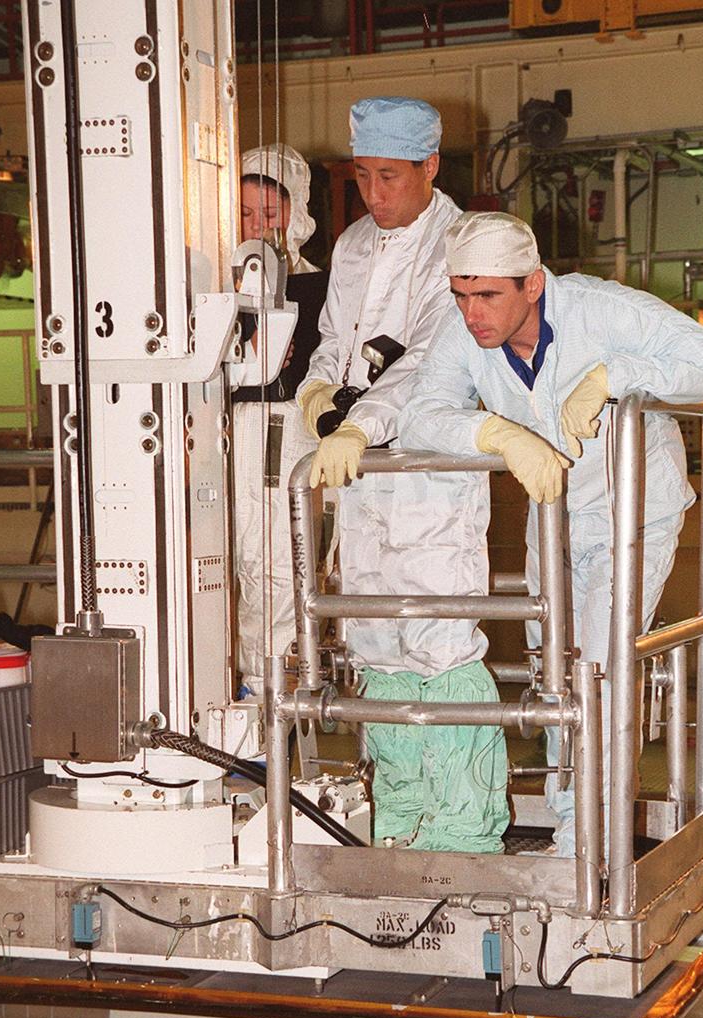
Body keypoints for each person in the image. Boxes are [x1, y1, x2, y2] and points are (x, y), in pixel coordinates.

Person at [398, 210, 703, 857]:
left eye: (487, 296)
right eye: (460, 295)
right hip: (552, 513)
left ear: (532, 284)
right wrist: (491, 433)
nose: (472, 313)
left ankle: (591, 839)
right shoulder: (463, 330)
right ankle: (569, 820)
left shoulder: (599, 311)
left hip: (633, 510)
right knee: (552, 672)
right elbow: (421, 414)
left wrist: (616, 377)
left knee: (598, 669)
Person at [297, 97, 510, 853]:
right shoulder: (353, 243)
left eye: (391, 176)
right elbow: (334, 341)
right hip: (361, 473)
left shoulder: (461, 244)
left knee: (435, 643)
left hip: (427, 469)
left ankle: (460, 833)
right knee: (375, 644)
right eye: (362, 176)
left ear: (429, 166)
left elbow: (426, 361)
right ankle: (400, 824)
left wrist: (361, 423)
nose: (375, 194)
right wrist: (319, 395)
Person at [232, 144, 328, 696]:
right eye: (245, 215)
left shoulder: (319, 286)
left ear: (297, 214)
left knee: (273, 569)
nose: (257, 227)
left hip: (282, 435)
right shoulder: (210, 283)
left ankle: (267, 697)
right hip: (223, 441)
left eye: (270, 214)